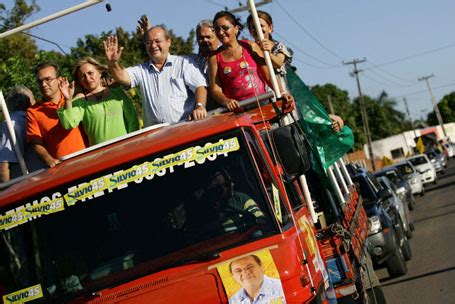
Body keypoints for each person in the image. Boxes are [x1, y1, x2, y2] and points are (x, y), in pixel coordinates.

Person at [103, 25, 208, 127]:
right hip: (156, 137)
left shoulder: (183, 63)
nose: (153, 46)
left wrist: (200, 106)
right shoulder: (141, 70)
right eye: (148, 43)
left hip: (185, 129)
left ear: (168, 41)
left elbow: (200, 86)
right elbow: (122, 77)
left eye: (157, 41)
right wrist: (113, 64)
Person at [57, 57, 139, 146]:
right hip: (99, 155)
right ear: (80, 82)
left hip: (126, 148)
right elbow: (68, 124)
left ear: (99, 73)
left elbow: (132, 119)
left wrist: (133, 143)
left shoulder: (117, 92)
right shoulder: (81, 101)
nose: (88, 78)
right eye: (83, 77)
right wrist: (68, 99)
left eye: (90, 73)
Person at [208, 11, 272, 112]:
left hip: (262, 102)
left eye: (225, 28)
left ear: (236, 29)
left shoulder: (251, 46)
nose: (220, 32)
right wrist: (226, 101)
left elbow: (268, 76)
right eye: (216, 29)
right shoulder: (214, 58)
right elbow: (215, 89)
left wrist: (282, 92)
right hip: (237, 110)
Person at [27, 63, 87, 168]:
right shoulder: (33, 111)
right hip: (61, 168)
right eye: (40, 81)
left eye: (48, 79)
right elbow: (35, 143)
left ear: (59, 80)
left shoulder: (76, 99)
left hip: (89, 159)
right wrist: (48, 159)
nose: (44, 84)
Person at [0, 86, 44, 181]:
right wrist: (8, 191)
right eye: (33, 98)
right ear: (28, 101)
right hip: (26, 181)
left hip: (34, 178)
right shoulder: (10, 124)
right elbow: (4, 163)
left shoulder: (30, 119)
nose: (35, 101)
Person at [247, 10, 293, 92]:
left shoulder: (278, 46)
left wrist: (268, 54)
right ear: (250, 31)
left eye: (261, 26)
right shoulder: (248, 50)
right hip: (260, 94)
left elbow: (279, 63)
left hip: (279, 92)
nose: (258, 29)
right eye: (253, 27)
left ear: (270, 28)